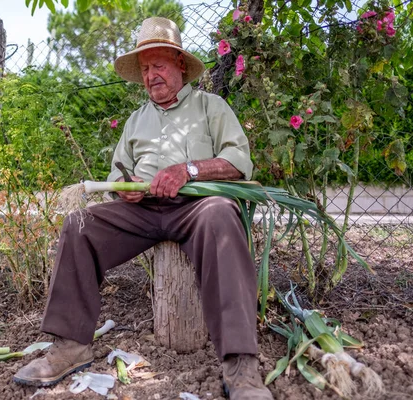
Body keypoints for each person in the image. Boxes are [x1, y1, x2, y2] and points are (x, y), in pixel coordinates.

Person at [14, 17, 274, 400]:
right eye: (146, 68)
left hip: (197, 208)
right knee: (79, 224)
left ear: (180, 65)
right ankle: (70, 345)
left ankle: (240, 365)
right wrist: (124, 191)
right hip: (143, 212)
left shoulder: (210, 106)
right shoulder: (136, 120)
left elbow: (238, 161)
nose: (152, 75)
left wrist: (188, 170)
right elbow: (118, 174)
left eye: (159, 65)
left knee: (221, 214)